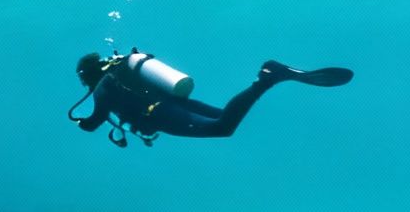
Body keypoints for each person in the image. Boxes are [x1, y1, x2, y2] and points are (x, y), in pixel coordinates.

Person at [67, 49, 353, 146]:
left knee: (222, 127)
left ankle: (267, 79)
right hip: (173, 103)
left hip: (160, 113)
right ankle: (267, 80)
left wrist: (80, 123)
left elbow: (95, 121)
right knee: (222, 118)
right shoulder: (118, 74)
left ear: (87, 74)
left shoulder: (104, 86)